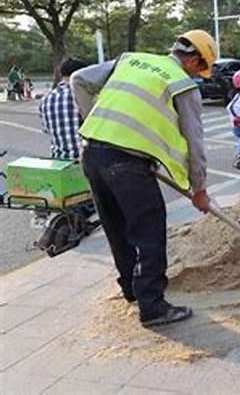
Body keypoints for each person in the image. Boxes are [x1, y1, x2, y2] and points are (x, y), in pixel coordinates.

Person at [71, 29, 216, 328]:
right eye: (202, 68)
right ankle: (153, 307)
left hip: (93, 154)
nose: (200, 75)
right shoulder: (181, 85)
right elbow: (195, 144)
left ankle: (131, 289)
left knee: (116, 227)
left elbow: (79, 80)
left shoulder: (130, 60)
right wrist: (199, 190)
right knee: (149, 232)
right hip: (127, 165)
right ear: (193, 59)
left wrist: (94, 122)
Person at [39, 58, 88, 159]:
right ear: (82, 74)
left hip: (59, 160)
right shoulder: (86, 95)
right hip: (85, 161)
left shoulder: (46, 99)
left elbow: (46, 129)